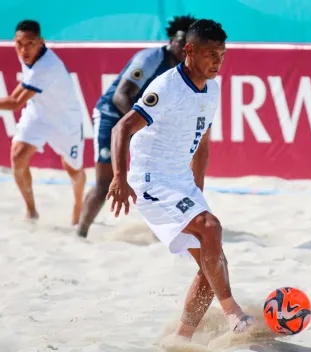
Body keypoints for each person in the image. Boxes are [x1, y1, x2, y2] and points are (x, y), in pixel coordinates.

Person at [106, 19, 253, 340]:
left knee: (213, 266)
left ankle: (181, 338)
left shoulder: (213, 88)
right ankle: (234, 314)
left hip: (181, 182)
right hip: (151, 180)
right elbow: (122, 128)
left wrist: (197, 190)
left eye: (222, 55)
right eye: (210, 54)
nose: (217, 61)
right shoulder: (166, 86)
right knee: (211, 229)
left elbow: (202, 142)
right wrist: (119, 177)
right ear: (189, 51)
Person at [77, 14, 197, 238]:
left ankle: (166, 232)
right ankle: (80, 233)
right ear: (171, 40)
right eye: (181, 42)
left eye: (189, 44)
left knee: (160, 179)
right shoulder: (150, 58)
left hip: (141, 122)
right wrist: (149, 128)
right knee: (105, 183)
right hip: (112, 115)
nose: (184, 48)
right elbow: (121, 97)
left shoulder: (186, 71)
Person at [0, 20, 86, 224]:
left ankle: (78, 207)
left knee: (73, 169)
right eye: (19, 44)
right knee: (18, 156)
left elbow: (14, 103)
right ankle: (31, 211)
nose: (24, 49)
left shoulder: (47, 67)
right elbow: (18, 93)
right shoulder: (28, 55)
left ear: (41, 42)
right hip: (38, 113)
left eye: (30, 44)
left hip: (65, 121)